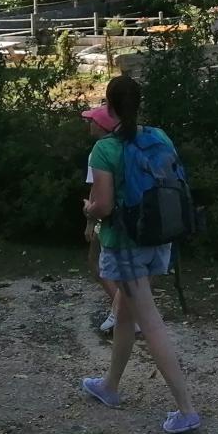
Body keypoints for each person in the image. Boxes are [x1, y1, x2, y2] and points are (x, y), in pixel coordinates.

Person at [79, 74, 201, 434]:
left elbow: (102, 206)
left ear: (109, 106)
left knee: (149, 322)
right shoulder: (159, 136)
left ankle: (186, 409)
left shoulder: (104, 148)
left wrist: (88, 209)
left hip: (127, 246)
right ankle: (110, 386)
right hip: (160, 239)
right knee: (126, 315)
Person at [81, 101, 123, 337]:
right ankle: (124, 309)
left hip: (105, 216)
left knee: (97, 265)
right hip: (122, 216)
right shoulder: (122, 146)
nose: (89, 124)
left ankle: (121, 311)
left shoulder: (99, 151)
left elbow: (96, 189)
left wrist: (89, 218)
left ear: (102, 126)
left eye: (93, 120)